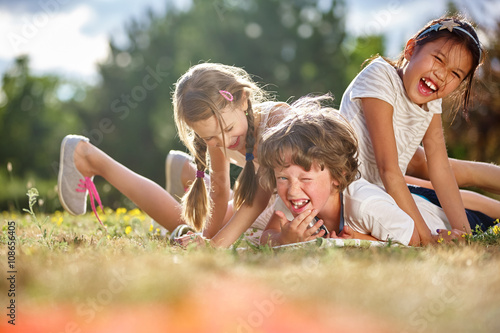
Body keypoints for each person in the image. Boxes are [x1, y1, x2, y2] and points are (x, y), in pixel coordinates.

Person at [58, 63, 289, 247]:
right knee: (188, 227)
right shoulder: (217, 133)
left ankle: (184, 172)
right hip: (264, 200)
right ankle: (89, 157)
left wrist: (213, 245)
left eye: (228, 130)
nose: (224, 142)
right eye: (209, 138)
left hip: (277, 197)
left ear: (243, 100)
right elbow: (219, 191)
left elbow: (259, 195)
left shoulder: (278, 121)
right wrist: (204, 238)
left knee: (226, 230)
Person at [257, 96, 496, 247]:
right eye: (282, 177)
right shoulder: (293, 197)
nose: (292, 189)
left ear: (337, 179)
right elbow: (269, 233)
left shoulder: (365, 205)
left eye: (305, 178)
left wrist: (362, 240)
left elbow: (418, 242)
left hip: (446, 220)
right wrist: (283, 239)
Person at [339, 15, 490, 245]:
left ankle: (379, 235)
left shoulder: (431, 102)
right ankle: (362, 233)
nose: (442, 74)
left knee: (443, 219)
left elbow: (440, 168)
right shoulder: (380, 76)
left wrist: (463, 233)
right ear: (411, 49)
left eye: (455, 74)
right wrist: (427, 239)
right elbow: (388, 169)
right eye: (438, 59)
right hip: (349, 190)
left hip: (386, 194)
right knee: (391, 215)